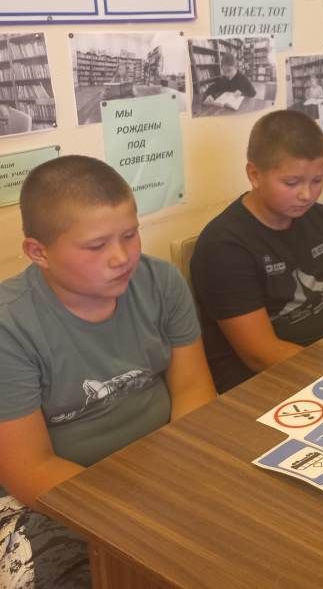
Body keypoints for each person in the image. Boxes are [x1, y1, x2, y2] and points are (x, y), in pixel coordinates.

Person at [0, 156, 217, 588]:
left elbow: (193, 390)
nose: (122, 257)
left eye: (130, 235)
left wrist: (184, 475)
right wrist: (135, 510)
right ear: (38, 252)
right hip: (61, 493)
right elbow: (29, 469)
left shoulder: (162, 282)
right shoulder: (11, 325)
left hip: (166, 463)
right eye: (96, 246)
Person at [190, 110, 323, 392]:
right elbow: (261, 354)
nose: (307, 194)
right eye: (292, 183)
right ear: (254, 175)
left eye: (317, 180)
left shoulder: (320, 217)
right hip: (270, 380)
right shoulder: (224, 246)